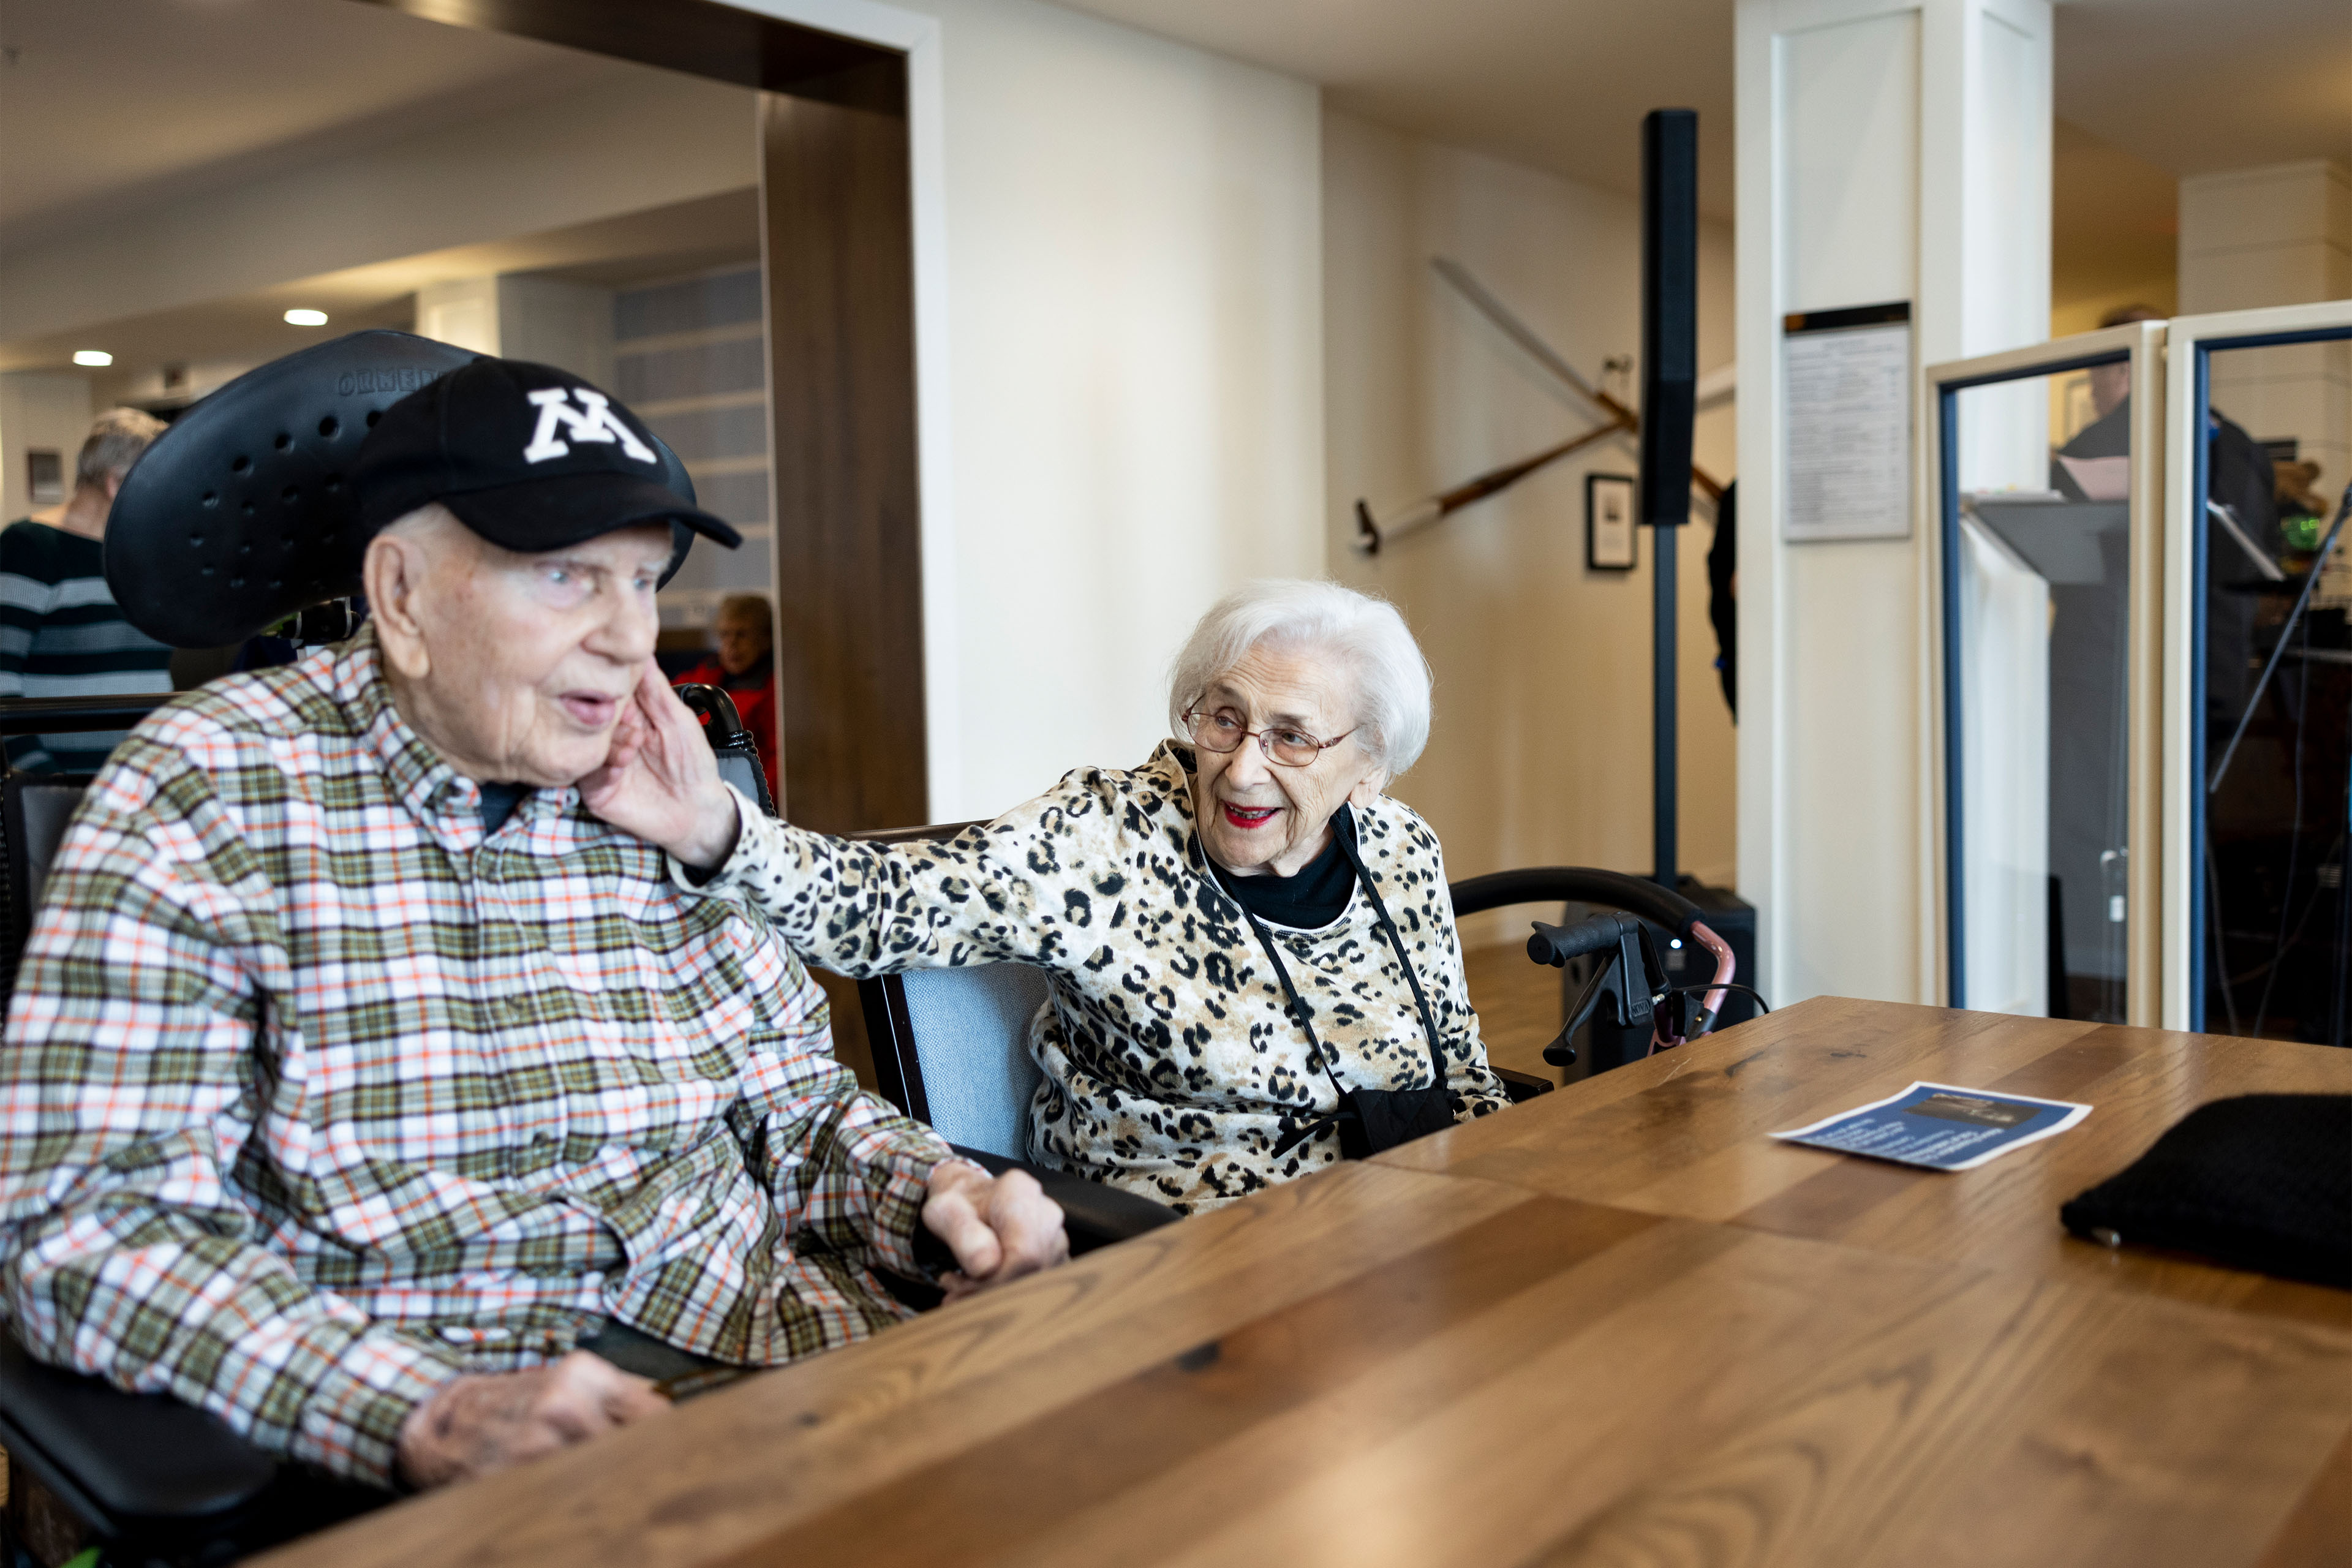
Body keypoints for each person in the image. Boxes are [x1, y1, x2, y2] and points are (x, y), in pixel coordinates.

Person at [0, 353, 1066, 1493]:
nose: (629, 639)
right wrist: (422, 1410)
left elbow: (793, 1104)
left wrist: (935, 1196)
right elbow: (83, 1227)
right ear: (402, 595)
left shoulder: (653, 770)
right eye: (567, 579)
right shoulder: (206, 790)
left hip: (777, 1355)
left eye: (644, 582)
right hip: (450, 1444)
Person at [585, 579, 1512, 1214]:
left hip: (1406, 1228)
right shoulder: (1103, 841)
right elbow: (878, 904)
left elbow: (1459, 1066)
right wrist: (716, 827)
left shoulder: (1398, 848)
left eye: (1293, 737)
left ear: (1370, 768)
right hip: (1193, 1260)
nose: (1242, 764)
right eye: (1223, 717)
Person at [0, 407, 175, 771]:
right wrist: (41, 778)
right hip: (59, 785)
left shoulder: (149, 552)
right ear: (115, 484)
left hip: (149, 778)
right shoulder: (29, 548)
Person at [673, 593, 778, 799]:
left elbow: (780, 761)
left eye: (742, 635)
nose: (731, 645)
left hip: (742, 798)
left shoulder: (774, 689)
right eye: (725, 635)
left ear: (765, 639)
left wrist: (756, 803)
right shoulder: (708, 673)